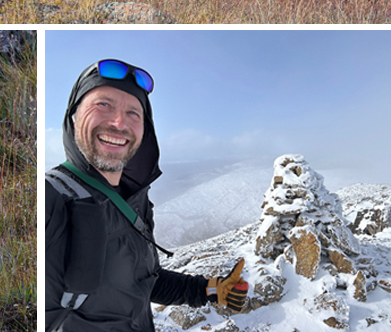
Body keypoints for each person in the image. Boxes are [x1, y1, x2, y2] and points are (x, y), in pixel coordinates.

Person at [46, 59, 249, 331]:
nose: (119, 122)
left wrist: (210, 289)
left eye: (133, 113)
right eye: (103, 104)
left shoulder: (135, 201)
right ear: (73, 115)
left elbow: (141, 282)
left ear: (145, 130)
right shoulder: (51, 199)